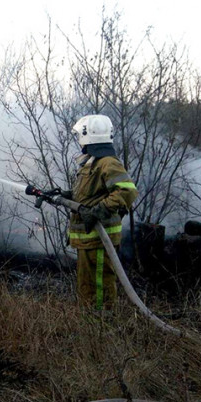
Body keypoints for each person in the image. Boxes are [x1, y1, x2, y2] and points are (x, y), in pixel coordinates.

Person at [66, 114, 138, 310]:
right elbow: (90, 194)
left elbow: (127, 190)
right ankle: (89, 329)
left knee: (99, 289)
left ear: (87, 135)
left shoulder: (107, 162)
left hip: (99, 238)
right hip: (89, 239)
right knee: (87, 290)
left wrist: (98, 211)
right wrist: (66, 195)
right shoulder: (92, 162)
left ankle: (102, 329)